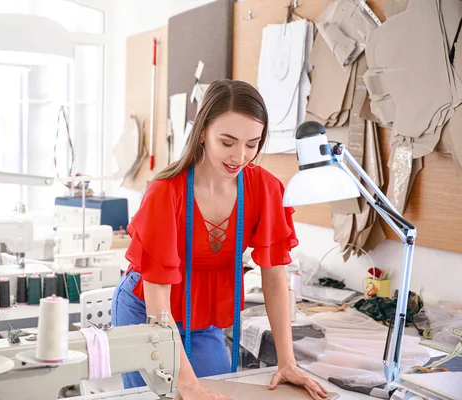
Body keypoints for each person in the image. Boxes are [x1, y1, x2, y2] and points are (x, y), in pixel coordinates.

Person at [111, 79, 328, 400]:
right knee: (165, 395)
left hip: (204, 315)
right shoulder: (165, 193)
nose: (239, 156)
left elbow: (274, 279)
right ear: (202, 133)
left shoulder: (265, 190)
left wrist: (287, 362)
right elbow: (159, 304)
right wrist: (184, 383)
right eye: (227, 142)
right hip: (147, 311)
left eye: (252, 144)